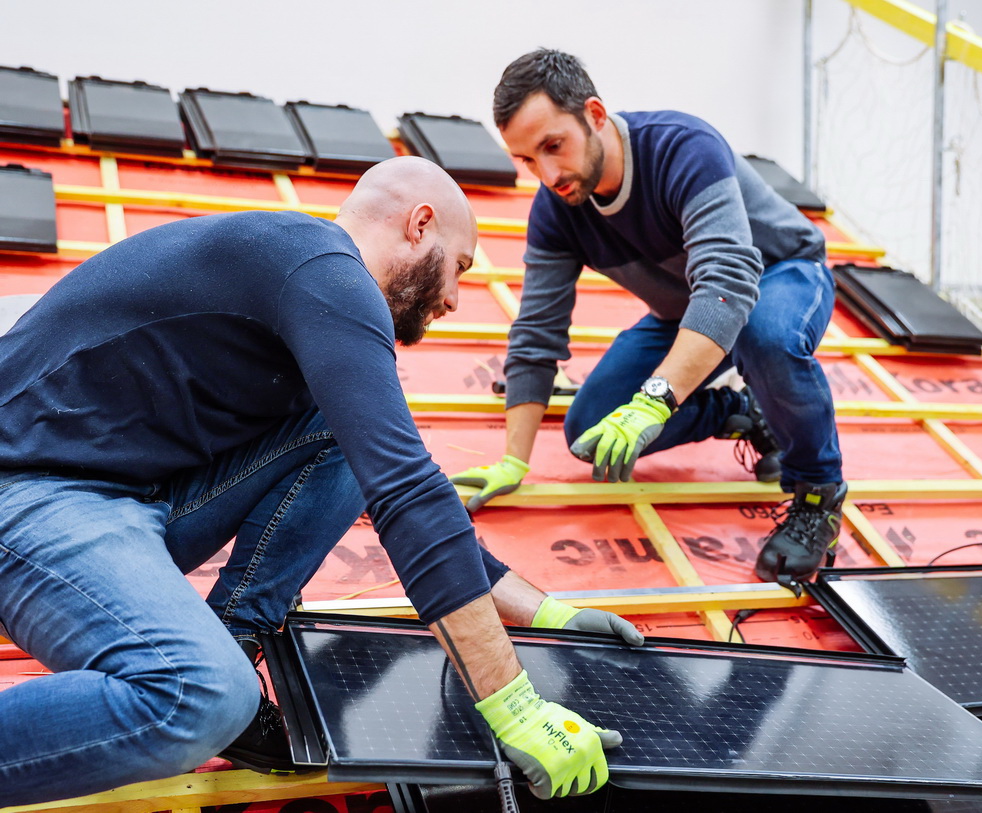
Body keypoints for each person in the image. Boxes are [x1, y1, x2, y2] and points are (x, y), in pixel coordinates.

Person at [0, 156, 641, 807]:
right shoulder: (320, 269)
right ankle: (212, 684)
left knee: (340, 433)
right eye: (461, 267)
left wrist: (549, 614)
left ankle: (232, 642)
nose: (453, 298)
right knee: (199, 693)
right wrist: (516, 705)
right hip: (26, 491)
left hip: (124, 494)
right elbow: (405, 493)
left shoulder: (309, 290)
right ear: (420, 225)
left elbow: (398, 476)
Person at [451, 50, 847, 585]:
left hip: (779, 277)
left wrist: (655, 399)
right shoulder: (557, 212)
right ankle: (740, 411)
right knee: (589, 433)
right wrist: (513, 461)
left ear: (594, 115)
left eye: (553, 147)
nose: (547, 175)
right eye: (527, 160)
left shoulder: (683, 148)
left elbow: (728, 285)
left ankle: (817, 494)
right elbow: (537, 332)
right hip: (689, 310)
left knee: (765, 337)